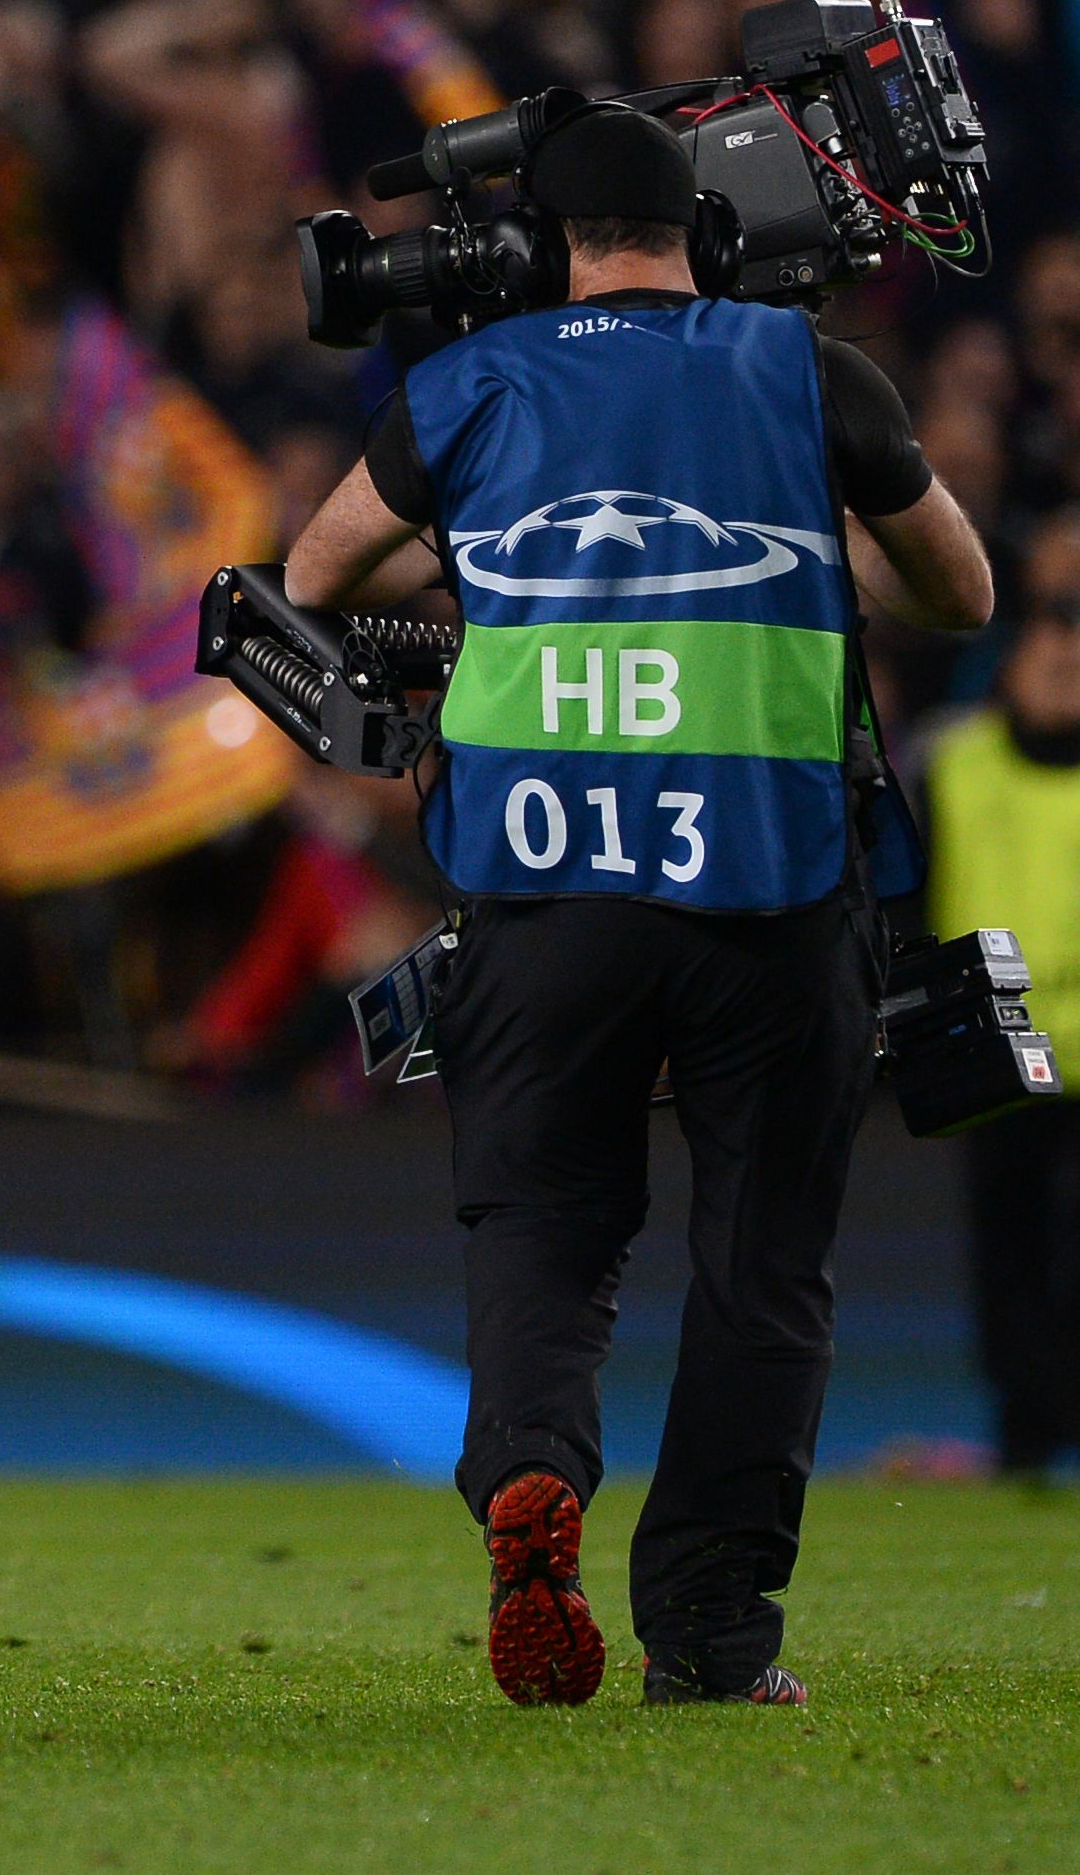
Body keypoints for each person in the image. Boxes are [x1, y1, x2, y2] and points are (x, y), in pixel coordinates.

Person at [285, 102, 994, 1709]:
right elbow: (964, 593)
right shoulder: (812, 372)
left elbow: (317, 575)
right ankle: (713, 1638)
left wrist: (501, 581)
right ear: (703, 232)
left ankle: (534, 1468)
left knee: (541, 1229)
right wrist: (810, 563)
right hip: (770, 891)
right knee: (763, 1273)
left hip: (543, 898)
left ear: (543, 244)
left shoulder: (465, 382)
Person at [922, 511, 1080, 1480]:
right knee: (1008, 1261)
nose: (1062, 662)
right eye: (1049, 641)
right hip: (997, 1055)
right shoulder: (960, 764)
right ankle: (1026, 1437)